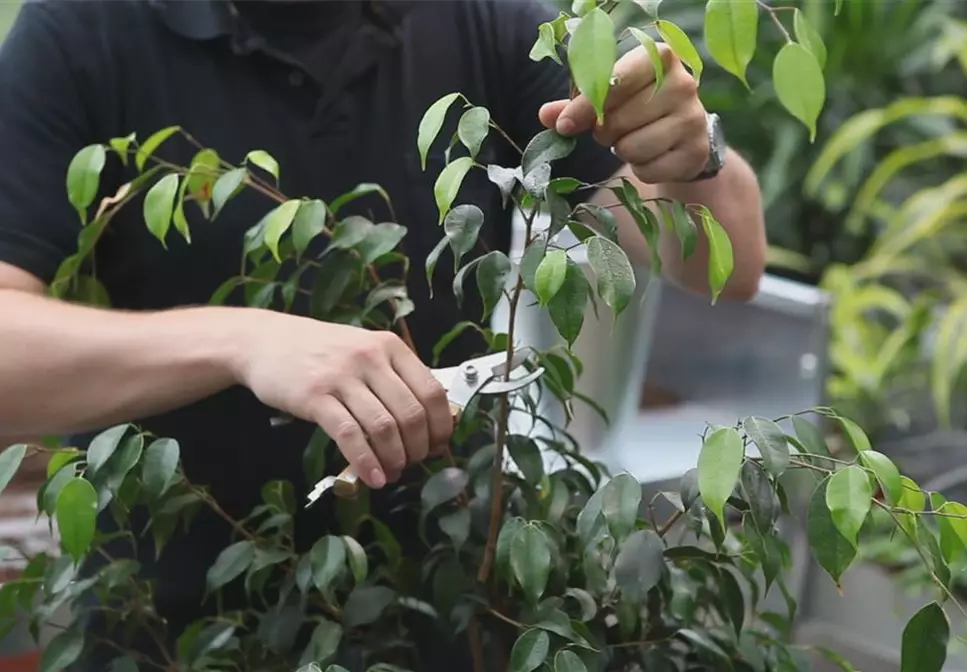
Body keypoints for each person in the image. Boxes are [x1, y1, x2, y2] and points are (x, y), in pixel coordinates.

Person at [0, 0, 766, 667]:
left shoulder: (486, 20)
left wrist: (691, 155)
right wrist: (241, 341)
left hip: (447, 606)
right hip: (174, 626)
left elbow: (727, 269)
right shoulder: (80, 30)